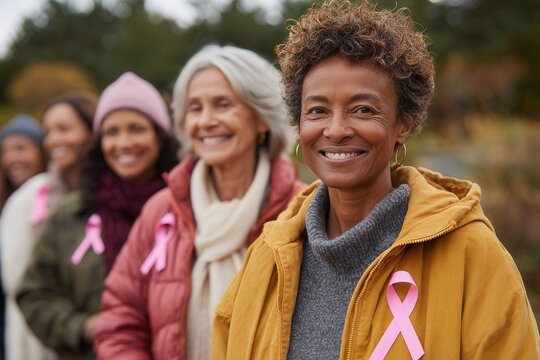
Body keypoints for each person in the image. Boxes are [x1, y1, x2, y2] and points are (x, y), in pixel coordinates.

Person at [212, 1, 540, 359]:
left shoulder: (472, 254)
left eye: (363, 110)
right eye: (318, 111)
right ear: (298, 124)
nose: (335, 130)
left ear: (404, 123)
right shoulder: (268, 257)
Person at [95, 45, 306, 360]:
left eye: (222, 105)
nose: (206, 121)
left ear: (262, 119)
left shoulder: (300, 211)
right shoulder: (161, 211)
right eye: (195, 108)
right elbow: (120, 318)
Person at [16, 72, 179, 360]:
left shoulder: (183, 207)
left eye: (137, 129)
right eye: (111, 132)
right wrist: (82, 326)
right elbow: (33, 294)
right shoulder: (72, 212)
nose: (124, 143)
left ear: (160, 135)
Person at [1, 92, 97, 360]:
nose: (54, 139)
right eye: (48, 132)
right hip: (37, 342)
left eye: (64, 129)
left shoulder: (114, 198)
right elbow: (19, 284)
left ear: (92, 131)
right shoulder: (27, 200)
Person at [0, 114, 46, 210]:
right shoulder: (5, 202)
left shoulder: (55, 197)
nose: (10, 159)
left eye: (20, 148)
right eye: (5, 151)